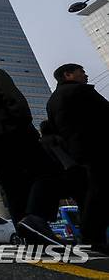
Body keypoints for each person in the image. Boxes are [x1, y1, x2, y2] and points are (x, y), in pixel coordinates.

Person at [0, 55, 61, 244]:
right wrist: (25, 124)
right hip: (13, 132)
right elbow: (14, 99)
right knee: (48, 172)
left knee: (12, 187)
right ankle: (37, 218)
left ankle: (30, 239)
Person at [46, 63, 109, 253]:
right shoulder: (81, 91)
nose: (86, 75)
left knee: (91, 192)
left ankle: (92, 237)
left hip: (75, 152)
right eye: (81, 72)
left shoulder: (52, 100)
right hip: (98, 145)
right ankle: (91, 237)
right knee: (100, 191)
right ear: (68, 74)